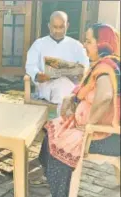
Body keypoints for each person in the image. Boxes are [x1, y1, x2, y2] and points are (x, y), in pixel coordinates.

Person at [38, 23, 120, 197]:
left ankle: (62, 192)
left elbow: (105, 96)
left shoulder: (106, 68)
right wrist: (72, 98)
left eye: (89, 41)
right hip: (93, 129)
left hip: (104, 136)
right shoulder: (104, 64)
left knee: (60, 146)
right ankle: (53, 182)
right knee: (51, 130)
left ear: (101, 43)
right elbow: (86, 88)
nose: (84, 45)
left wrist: (89, 125)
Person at [25, 11, 89, 113]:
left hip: (72, 86)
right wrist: (38, 75)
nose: (58, 31)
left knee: (64, 86)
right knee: (62, 88)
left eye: (61, 27)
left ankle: (61, 123)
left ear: (67, 25)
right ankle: (63, 124)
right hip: (47, 87)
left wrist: (78, 73)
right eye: (55, 27)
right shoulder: (39, 44)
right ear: (49, 26)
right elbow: (30, 66)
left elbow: (85, 67)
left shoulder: (76, 45)